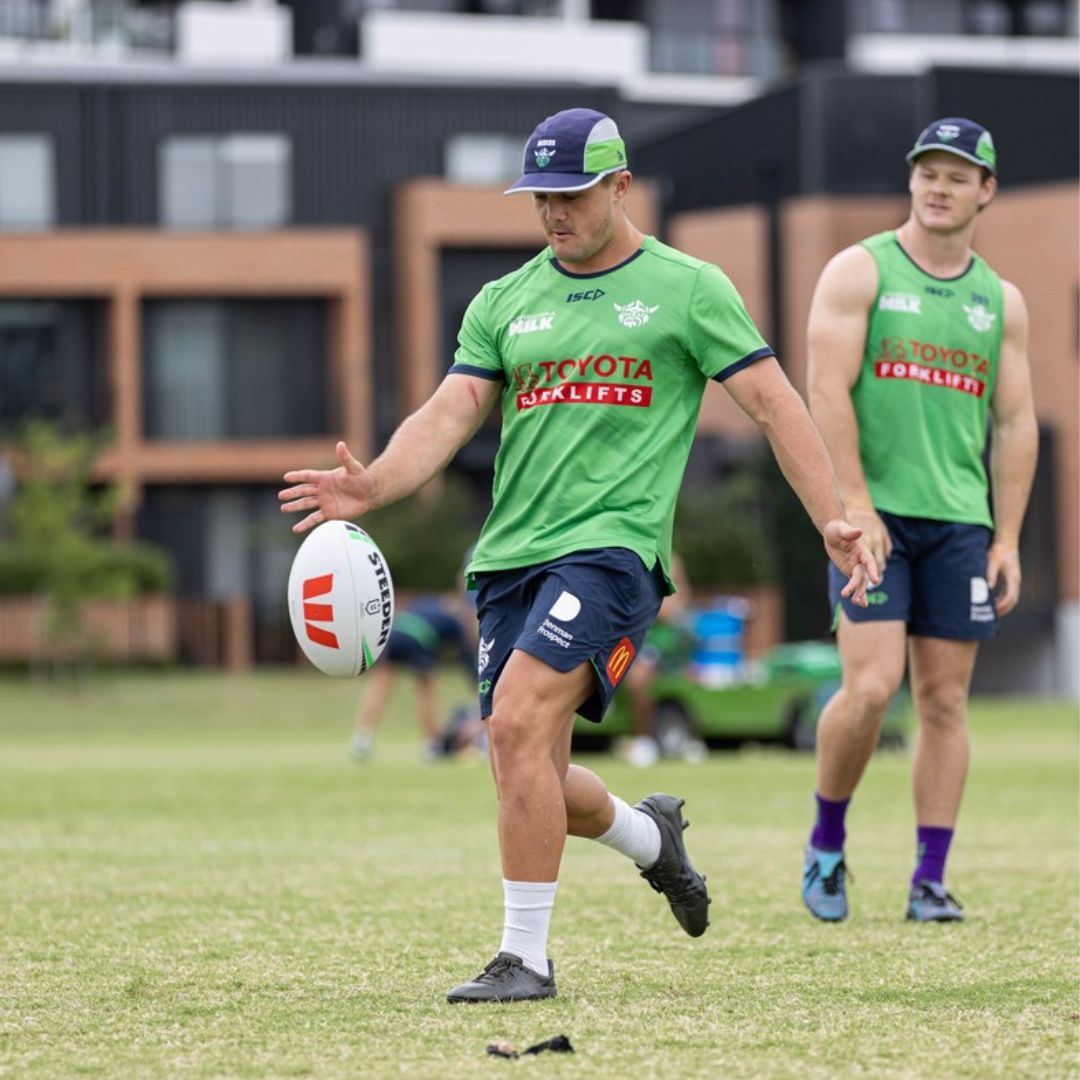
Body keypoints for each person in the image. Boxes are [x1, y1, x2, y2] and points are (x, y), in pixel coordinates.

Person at [280, 107, 877, 1003]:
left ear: (620, 185)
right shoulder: (504, 300)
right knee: (532, 767)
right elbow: (449, 414)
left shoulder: (689, 288)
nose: (554, 213)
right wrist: (373, 487)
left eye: (572, 195)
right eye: (541, 199)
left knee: (518, 723)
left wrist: (831, 516)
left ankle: (526, 959)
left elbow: (774, 404)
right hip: (508, 561)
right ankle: (652, 839)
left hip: (613, 556)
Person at [800, 118, 1037, 924]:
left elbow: (1014, 423)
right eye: (927, 172)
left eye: (957, 176)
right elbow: (824, 392)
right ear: (911, 181)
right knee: (870, 689)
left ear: (986, 192)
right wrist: (855, 505)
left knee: (944, 702)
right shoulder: (859, 270)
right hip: (874, 517)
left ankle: (929, 877)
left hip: (959, 525)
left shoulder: (999, 300)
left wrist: (1006, 537)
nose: (938, 186)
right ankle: (826, 846)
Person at [350, 592, 475, 762]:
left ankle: (362, 738)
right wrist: (478, 688)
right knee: (426, 691)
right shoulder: (458, 622)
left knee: (380, 685)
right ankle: (431, 745)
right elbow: (467, 659)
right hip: (419, 639)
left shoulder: (431, 600)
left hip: (395, 632)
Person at [621, 551, 697, 766]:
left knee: (638, 677)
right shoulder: (630, 551)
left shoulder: (670, 558)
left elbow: (671, 608)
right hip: (636, 636)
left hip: (661, 642)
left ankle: (646, 741)